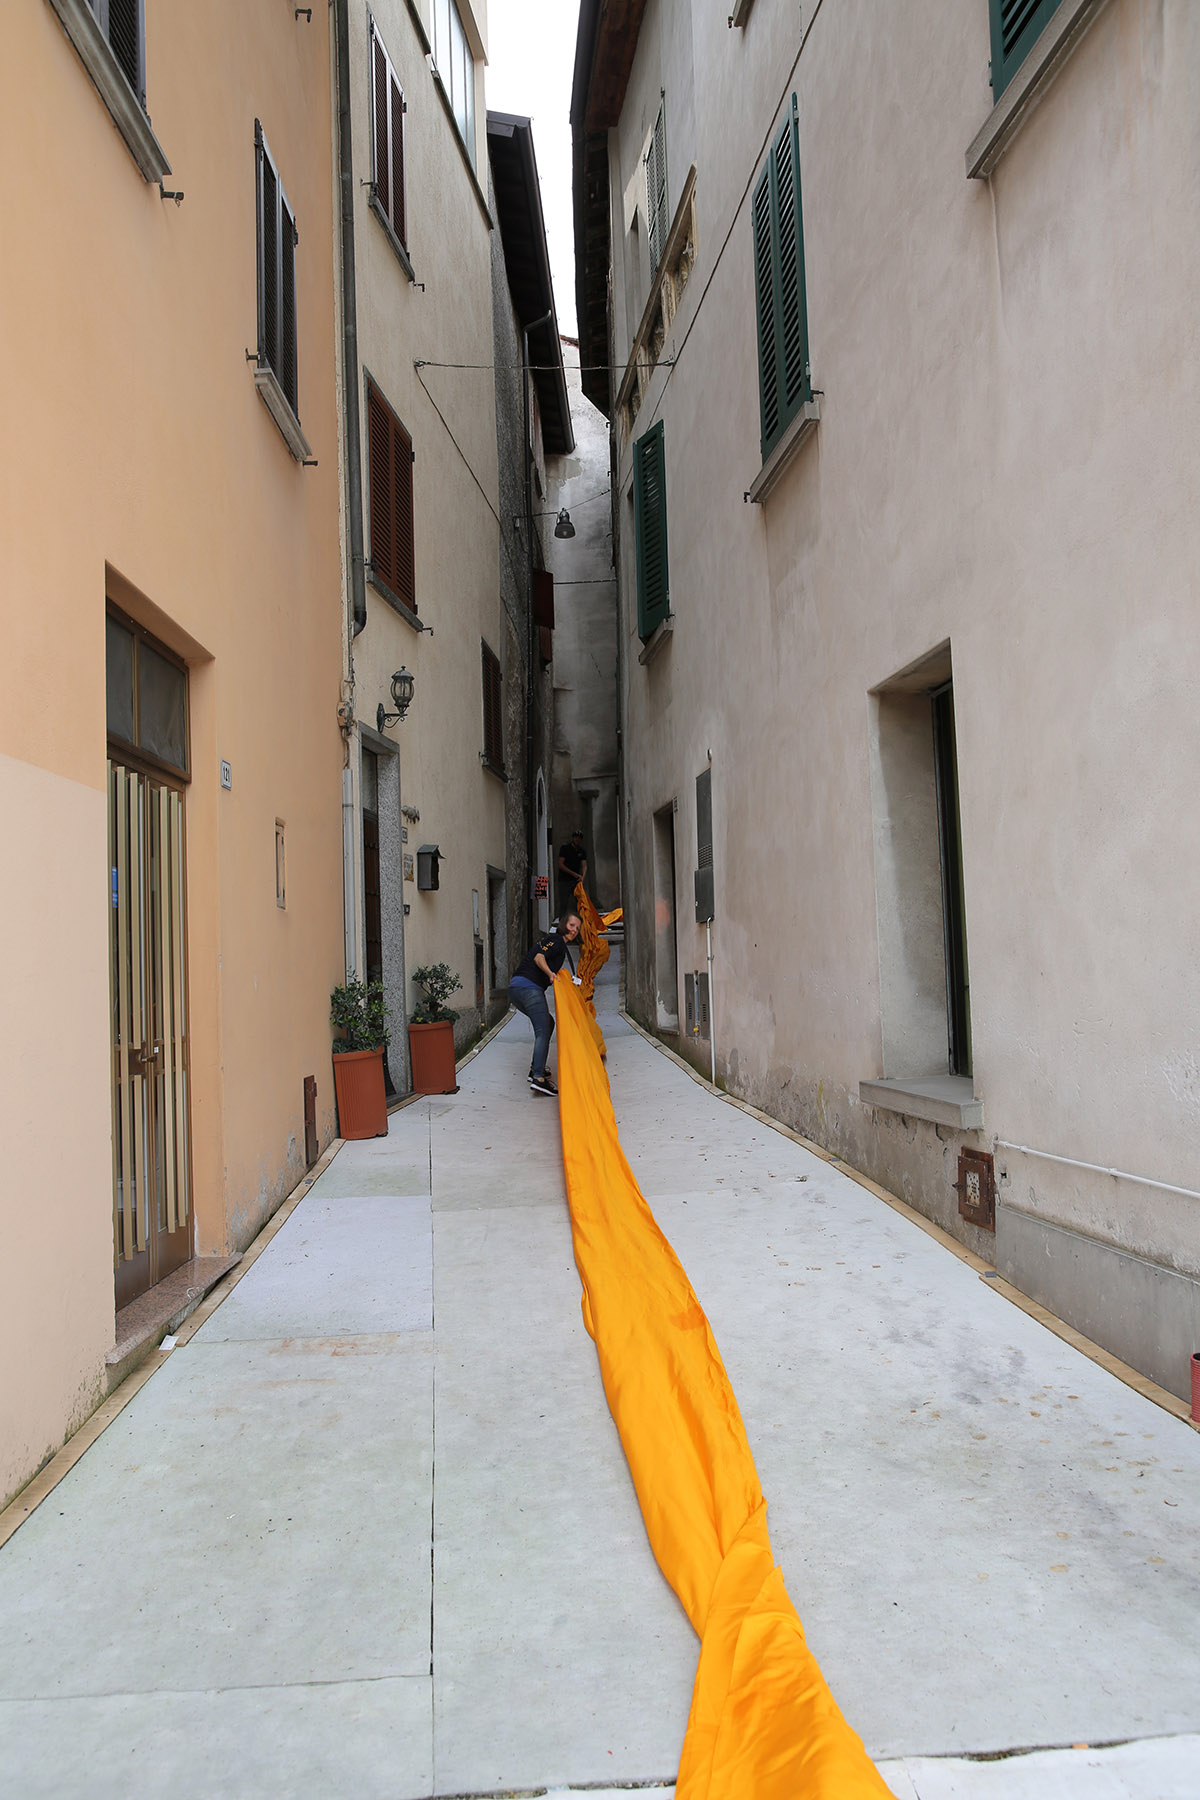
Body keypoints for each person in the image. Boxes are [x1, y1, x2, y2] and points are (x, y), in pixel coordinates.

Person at [509, 912, 581, 1096]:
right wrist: (550, 974)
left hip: (516, 988)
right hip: (529, 987)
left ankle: (536, 1068)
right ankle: (539, 1078)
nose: (574, 930)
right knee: (543, 1029)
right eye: (572, 925)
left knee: (548, 1023)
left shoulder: (558, 944)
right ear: (564, 924)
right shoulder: (555, 940)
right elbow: (539, 957)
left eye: (577, 928)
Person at [557, 829, 587, 919]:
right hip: (564, 880)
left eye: (579, 838)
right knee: (564, 902)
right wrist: (574, 874)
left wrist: (583, 877)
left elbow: (584, 865)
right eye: (576, 838)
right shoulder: (565, 848)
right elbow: (560, 864)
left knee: (580, 902)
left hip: (576, 881)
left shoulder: (582, 851)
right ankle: (561, 922)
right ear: (573, 838)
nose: (577, 840)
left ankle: (581, 923)